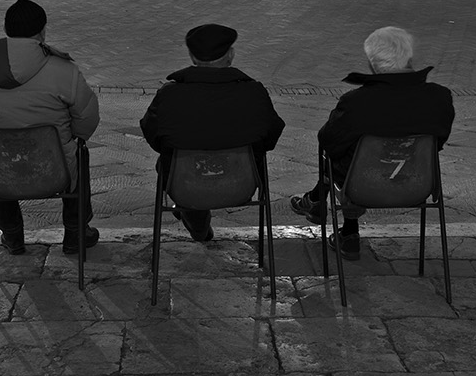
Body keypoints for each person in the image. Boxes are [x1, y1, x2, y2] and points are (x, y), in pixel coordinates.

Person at [289, 25, 455, 257]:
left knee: (339, 151)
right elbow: (439, 141)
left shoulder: (356, 102)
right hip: (417, 185)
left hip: (361, 187)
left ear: (372, 63)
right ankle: (320, 206)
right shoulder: (440, 97)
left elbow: (327, 141)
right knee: (349, 152)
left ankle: (342, 225)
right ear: (409, 56)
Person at [0, 0, 100, 256]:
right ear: (42, 31)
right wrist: (73, 137)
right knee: (80, 151)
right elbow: (87, 119)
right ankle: (75, 233)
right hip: (55, 169)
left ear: (6, 30)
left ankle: (12, 236)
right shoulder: (63, 69)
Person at [140, 22, 285, 243]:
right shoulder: (254, 92)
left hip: (184, 186)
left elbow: (153, 135)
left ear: (191, 56)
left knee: (176, 164)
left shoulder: (170, 95)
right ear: (231, 55)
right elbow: (271, 136)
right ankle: (196, 221)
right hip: (241, 185)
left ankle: (197, 224)